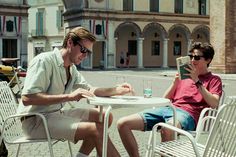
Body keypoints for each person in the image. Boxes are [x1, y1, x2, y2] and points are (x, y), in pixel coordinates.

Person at [17, 27, 133, 157]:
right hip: (36, 121)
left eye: (88, 53)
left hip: (55, 114)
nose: (85, 56)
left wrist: (116, 90)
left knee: (105, 116)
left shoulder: (71, 68)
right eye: (83, 50)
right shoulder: (44, 61)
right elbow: (28, 98)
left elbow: (90, 90)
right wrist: (69, 97)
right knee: (96, 130)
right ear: (70, 43)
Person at [117, 42, 222, 157]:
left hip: (188, 114)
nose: (192, 60)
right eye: (190, 57)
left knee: (167, 129)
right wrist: (174, 83)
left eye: (196, 57)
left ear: (208, 60)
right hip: (168, 109)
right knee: (123, 124)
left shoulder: (214, 80)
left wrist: (197, 81)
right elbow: (165, 99)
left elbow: (214, 103)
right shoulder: (184, 77)